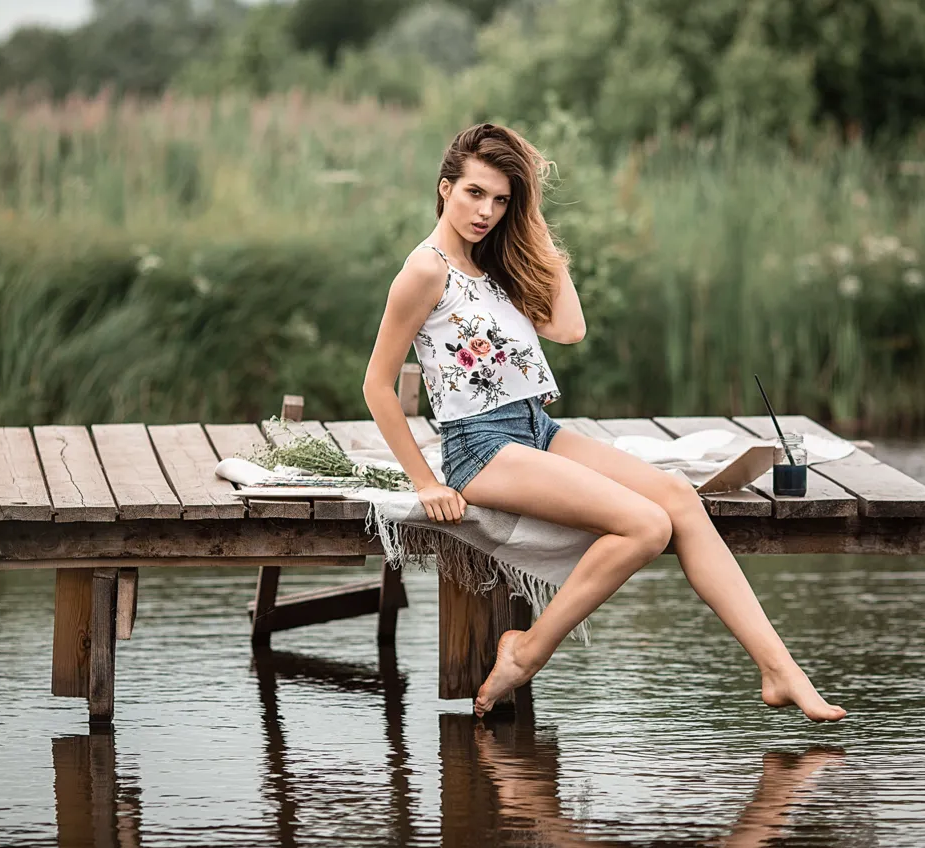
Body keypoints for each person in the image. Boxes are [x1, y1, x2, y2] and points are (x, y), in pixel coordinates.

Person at [362, 123, 845, 722]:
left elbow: (569, 327)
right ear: (445, 189)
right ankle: (527, 652)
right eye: (475, 194)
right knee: (645, 526)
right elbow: (377, 384)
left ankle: (778, 668)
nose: (486, 211)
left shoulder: (493, 269)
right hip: (479, 449)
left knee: (678, 498)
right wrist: (426, 483)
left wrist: (530, 226)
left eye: (502, 200)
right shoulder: (425, 270)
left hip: (535, 429)